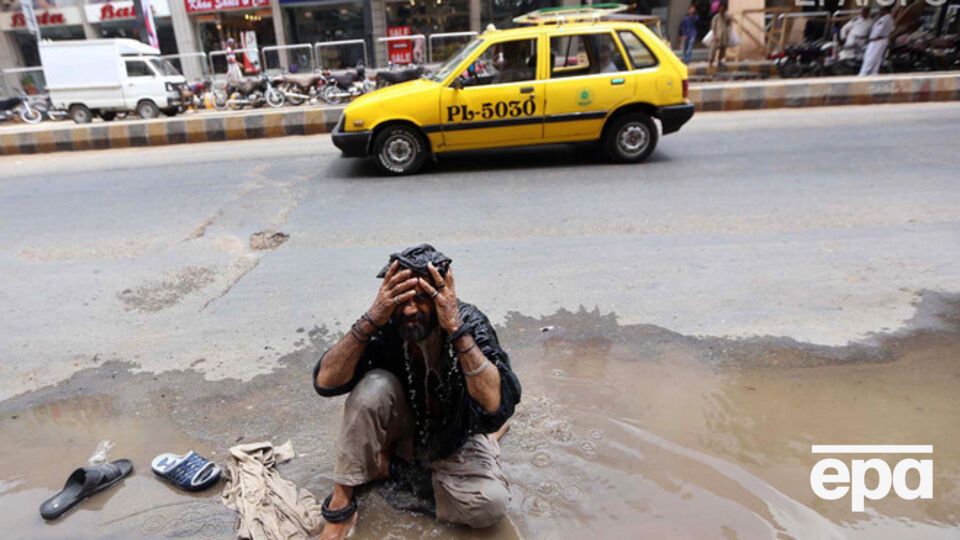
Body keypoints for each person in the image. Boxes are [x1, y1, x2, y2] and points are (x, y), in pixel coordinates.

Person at [313, 244, 522, 540]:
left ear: (443, 295)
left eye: (422, 298)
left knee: (490, 505)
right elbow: (326, 381)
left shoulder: (468, 321)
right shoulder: (387, 323)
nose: (410, 310)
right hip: (402, 432)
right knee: (373, 386)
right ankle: (342, 501)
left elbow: (494, 405)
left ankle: (388, 468)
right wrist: (372, 317)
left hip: (454, 438)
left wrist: (455, 328)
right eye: (402, 299)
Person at [859, 5, 894, 76]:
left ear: (885, 10)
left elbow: (879, 31)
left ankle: (863, 75)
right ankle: (873, 74)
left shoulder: (886, 18)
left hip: (878, 41)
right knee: (874, 60)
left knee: (871, 59)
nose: (880, 12)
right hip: (876, 41)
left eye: (881, 10)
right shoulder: (883, 18)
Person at [709, 2, 732, 69]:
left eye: (723, 8)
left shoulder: (726, 17)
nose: (722, 9)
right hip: (717, 36)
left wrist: (728, 19)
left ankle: (719, 61)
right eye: (721, 7)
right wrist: (714, 35)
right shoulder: (716, 17)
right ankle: (711, 61)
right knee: (713, 49)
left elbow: (729, 25)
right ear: (719, 8)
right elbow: (713, 27)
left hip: (724, 36)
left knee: (723, 49)